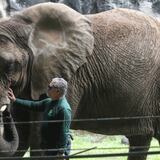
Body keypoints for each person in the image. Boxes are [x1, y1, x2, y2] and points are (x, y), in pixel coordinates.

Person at [8, 77, 72, 159]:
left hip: (57, 149)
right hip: (49, 146)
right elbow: (33, 105)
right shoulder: (49, 102)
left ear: (58, 91)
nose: (47, 89)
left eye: (50, 87)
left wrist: (61, 152)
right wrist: (15, 100)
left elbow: (64, 133)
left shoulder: (64, 109)